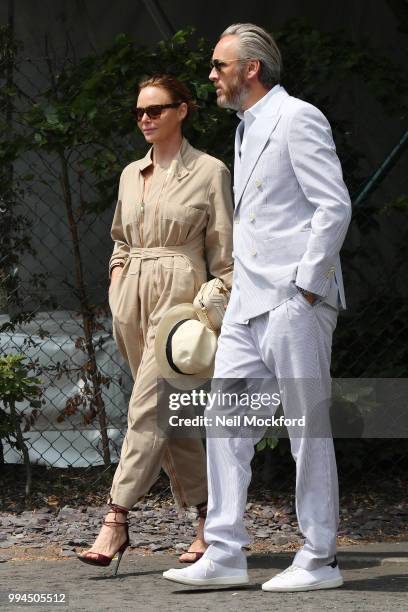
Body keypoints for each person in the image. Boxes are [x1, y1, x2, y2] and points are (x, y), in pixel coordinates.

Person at [163, 23, 352, 591]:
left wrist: (307, 286)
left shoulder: (297, 118)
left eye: (220, 66)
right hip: (248, 304)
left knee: (307, 430)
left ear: (251, 69)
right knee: (225, 428)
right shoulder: (247, 129)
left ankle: (320, 558)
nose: (212, 75)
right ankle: (225, 553)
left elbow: (333, 205)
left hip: (294, 302)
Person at [77, 74, 233, 573]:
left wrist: (220, 301)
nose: (145, 119)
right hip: (131, 297)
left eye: (156, 110)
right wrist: (117, 275)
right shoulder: (130, 174)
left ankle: (116, 517)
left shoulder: (210, 171)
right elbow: (120, 237)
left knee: (149, 405)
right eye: (140, 112)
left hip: (179, 299)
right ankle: (209, 520)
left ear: (183, 110)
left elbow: (225, 252)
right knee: (175, 416)